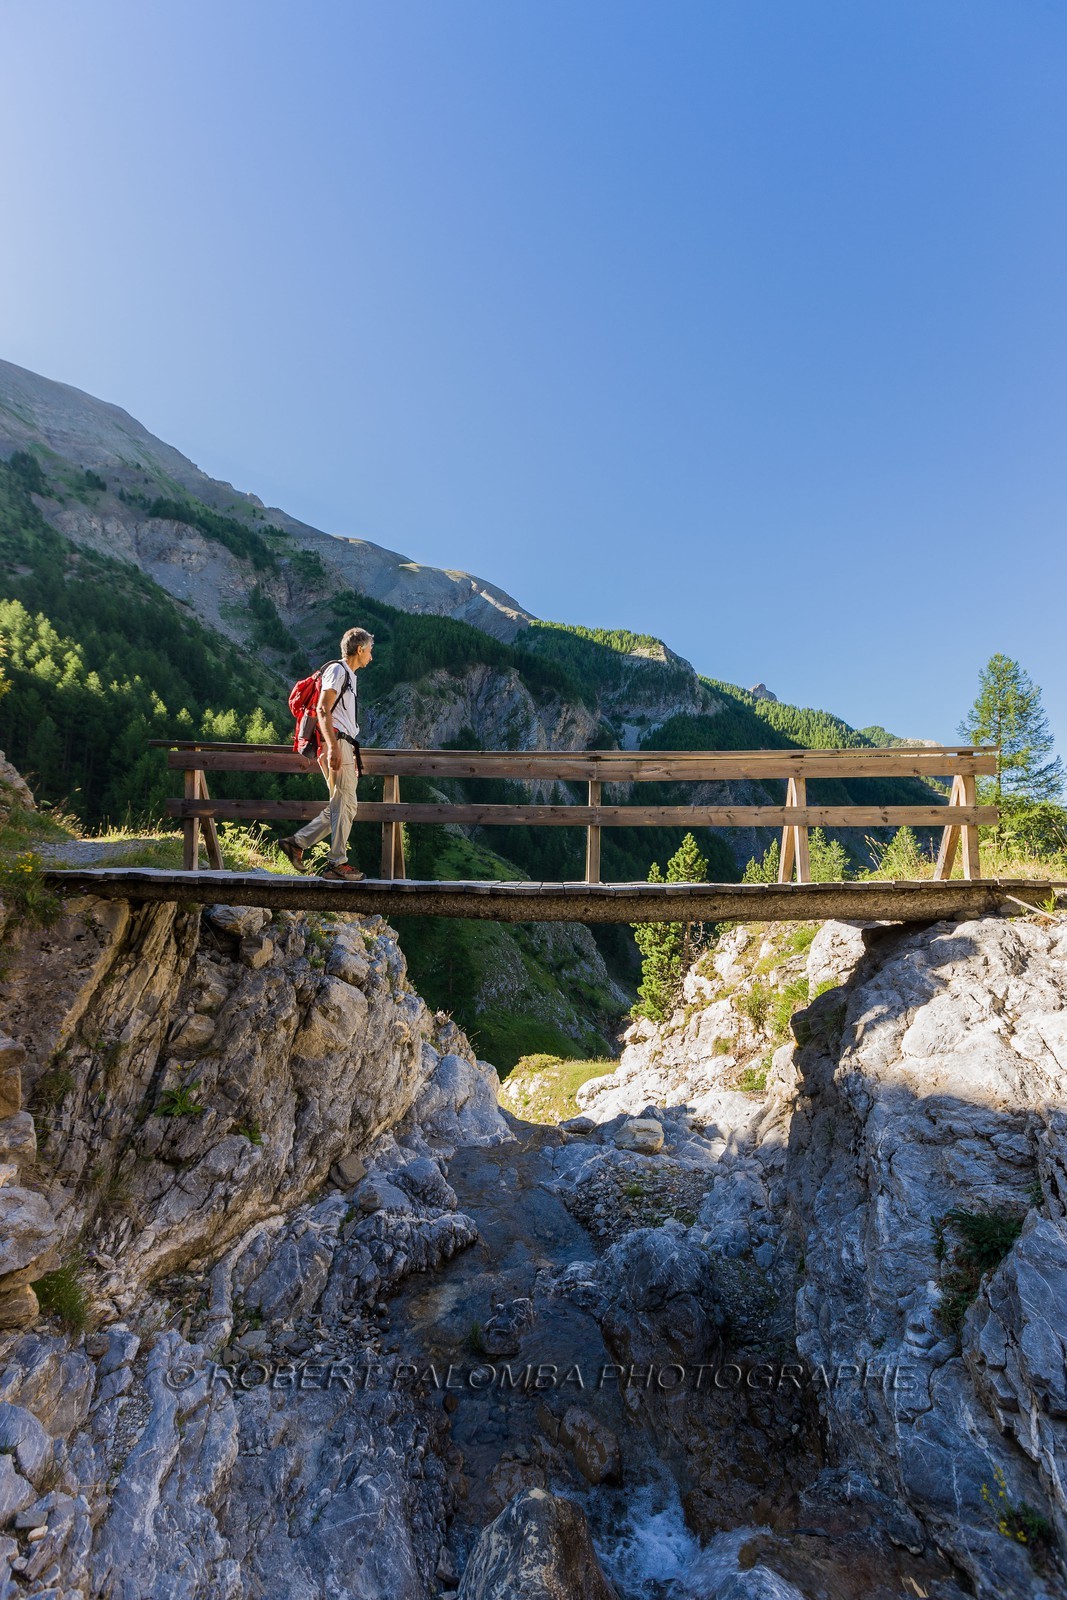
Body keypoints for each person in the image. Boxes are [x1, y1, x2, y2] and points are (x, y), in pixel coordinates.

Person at [279, 627, 374, 880]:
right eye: (369, 651)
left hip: (341, 743)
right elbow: (323, 709)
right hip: (336, 742)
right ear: (360, 649)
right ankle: (337, 864)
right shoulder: (338, 671)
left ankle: (297, 843)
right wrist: (332, 747)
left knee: (343, 804)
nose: (371, 657)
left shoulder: (348, 675)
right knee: (345, 802)